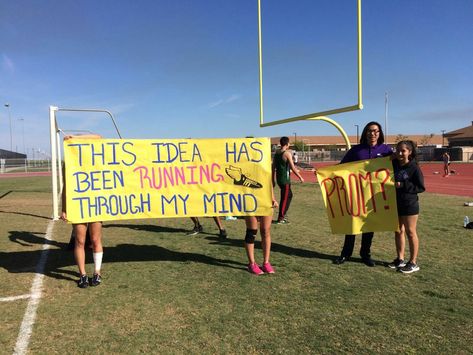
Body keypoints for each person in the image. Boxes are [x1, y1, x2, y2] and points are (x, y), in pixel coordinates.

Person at [333, 122, 393, 267]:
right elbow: (342, 166)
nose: (373, 134)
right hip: (356, 193)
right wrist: (324, 173)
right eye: (370, 131)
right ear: (366, 133)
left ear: (380, 133)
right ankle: (345, 254)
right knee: (352, 224)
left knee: (369, 225)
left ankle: (365, 254)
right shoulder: (356, 150)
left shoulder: (386, 150)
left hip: (374, 195)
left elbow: (394, 167)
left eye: (376, 131)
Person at [61, 134, 104, 288]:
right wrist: (64, 208)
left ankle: (97, 273)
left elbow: (99, 137)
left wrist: (76, 137)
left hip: (96, 204)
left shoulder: (95, 158)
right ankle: (83, 275)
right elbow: (66, 187)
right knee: (80, 241)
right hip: (78, 205)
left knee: (95, 240)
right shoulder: (69, 163)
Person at [388, 140, 425, 273]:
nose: (400, 153)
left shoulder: (414, 167)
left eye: (403, 150)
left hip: (410, 204)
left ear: (409, 152)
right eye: (397, 150)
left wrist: (404, 185)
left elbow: (421, 187)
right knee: (398, 231)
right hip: (396, 203)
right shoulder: (394, 164)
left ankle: (413, 262)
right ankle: (400, 259)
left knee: (410, 232)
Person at [244, 193, 279, 275]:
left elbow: (269, 184)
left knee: (265, 230)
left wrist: (273, 199)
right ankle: (251, 264)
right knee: (251, 231)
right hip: (249, 199)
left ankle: (266, 263)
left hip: (265, 200)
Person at [272, 136, 304, 224]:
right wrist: (300, 177)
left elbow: (273, 167)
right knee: (285, 198)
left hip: (279, 179)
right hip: (285, 180)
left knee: (289, 195)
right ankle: (281, 218)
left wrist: (273, 179)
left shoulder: (277, 153)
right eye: (289, 143)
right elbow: (293, 168)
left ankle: (283, 214)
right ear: (286, 144)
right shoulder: (287, 153)